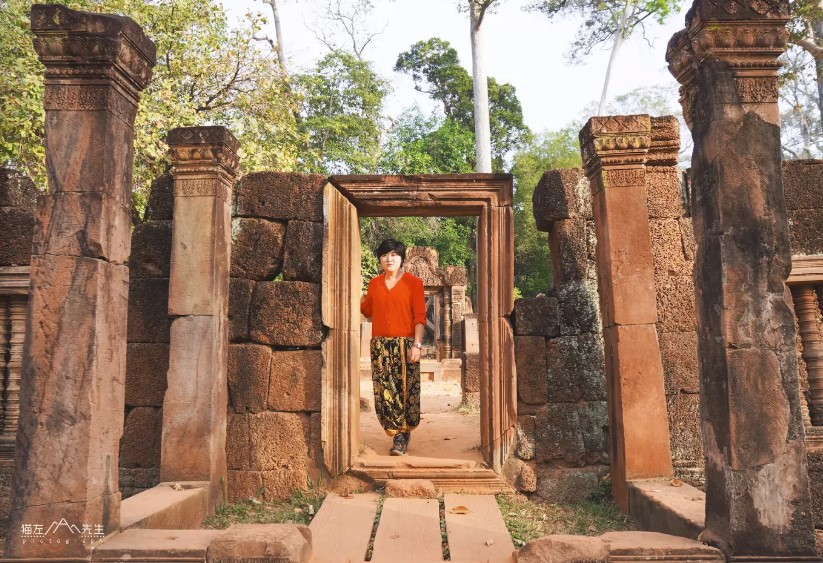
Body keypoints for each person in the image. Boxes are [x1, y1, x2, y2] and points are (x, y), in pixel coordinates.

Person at [360, 239, 426, 455]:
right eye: (384, 255)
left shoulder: (414, 283)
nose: (389, 259)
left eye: (394, 254)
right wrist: (357, 294)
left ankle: (404, 431)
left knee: (407, 390)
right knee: (385, 391)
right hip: (380, 346)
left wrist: (417, 345)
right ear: (380, 259)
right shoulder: (374, 284)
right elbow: (367, 310)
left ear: (401, 258)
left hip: (406, 344)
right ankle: (397, 434)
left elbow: (419, 317)